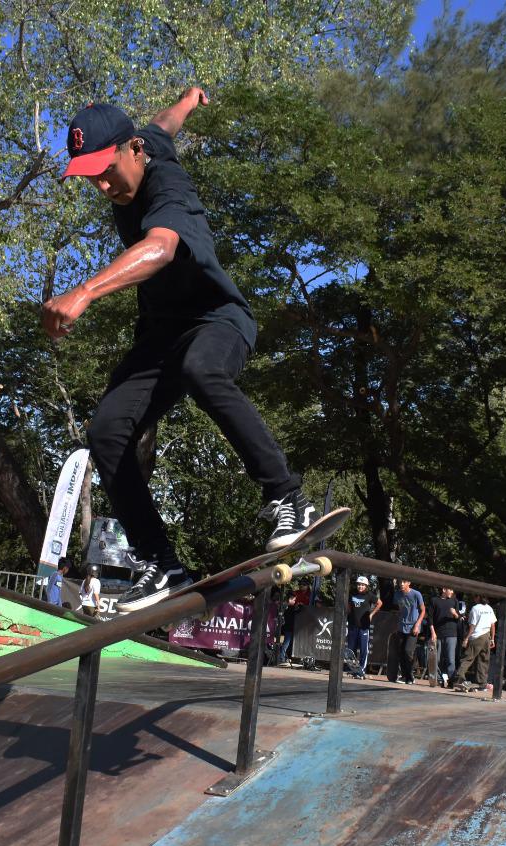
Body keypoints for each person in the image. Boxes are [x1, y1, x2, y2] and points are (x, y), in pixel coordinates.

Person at [43, 89, 315, 614]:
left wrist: (84, 292)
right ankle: (160, 563)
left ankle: (288, 498)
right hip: (160, 335)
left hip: (218, 320)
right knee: (106, 432)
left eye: (107, 171)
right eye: (90, 177)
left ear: (133, 151)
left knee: (202, 369)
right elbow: (166, 122)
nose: (102, 186)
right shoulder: (152, 143)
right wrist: (190, 99)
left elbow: (162, 246)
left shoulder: (169, 185)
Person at [386, 578, 425, 684]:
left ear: (409, 583)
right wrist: (396, 623)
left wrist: (417, 625)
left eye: (404, 582)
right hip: (401, 627)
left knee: (408, 651)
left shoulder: (416, 594)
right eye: (400, 582)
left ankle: (410, 675)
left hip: (413, 627)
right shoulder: (397, 594)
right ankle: (405, 676)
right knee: (401, 652)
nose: (401, 584)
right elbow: (399, 609)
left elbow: (423, 610)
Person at [455, 595, 497, 691]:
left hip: (477, 636)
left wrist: (466, 638)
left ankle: (459, 679)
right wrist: (492, 639)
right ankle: (482, 683)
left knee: (468, 658)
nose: (473, 599)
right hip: (487, 636)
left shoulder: (475, 608)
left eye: (475, 597)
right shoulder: (489, 608)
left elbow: (472, 625)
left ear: (478, 597)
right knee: (483, 660)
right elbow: (493, 624)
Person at [346, 575, 381, 679]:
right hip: (352, 625)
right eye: (359, 585)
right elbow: (348, 606)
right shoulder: (352, 594)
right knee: (351, 650)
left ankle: (361, 670)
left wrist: (371, 614)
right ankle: (353, 670)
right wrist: (349, 613)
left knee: (363, 649)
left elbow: (380, 603)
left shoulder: (369, 595)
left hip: (364, 627)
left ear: (366, 586)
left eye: (362, 585)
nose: (360, 586)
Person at [429, 586, 464, 687]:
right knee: (437, 659)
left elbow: (459, 619)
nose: (452, 592)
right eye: (451, 589)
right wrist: (433, 632)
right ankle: (438, 679)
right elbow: (430, 618)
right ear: (444, 589)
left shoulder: (454, 601)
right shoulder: (434, 600)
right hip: (438, 634)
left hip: (452, 634)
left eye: (453, 590)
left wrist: (455, 614)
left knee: (451, 659)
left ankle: (451, 681)